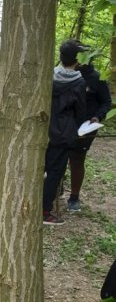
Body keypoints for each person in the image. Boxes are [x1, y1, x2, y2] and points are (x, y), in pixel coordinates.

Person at [43, 40, 86, 225]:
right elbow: (81, 111)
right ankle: (44, 212)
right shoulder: (79, 82)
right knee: (54, 172)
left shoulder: (48, 76)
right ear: (77, 60)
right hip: (62, 134)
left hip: (42, 128)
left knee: (39, 169)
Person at [66, 59, 112, 212]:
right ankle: (55, 189)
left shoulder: (97, 78)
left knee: (77, 159)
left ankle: (74, 197)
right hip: (65, 125)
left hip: (86, 127)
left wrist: (98, 116)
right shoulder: (67, 74)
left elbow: (106, 102)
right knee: (58, 157)